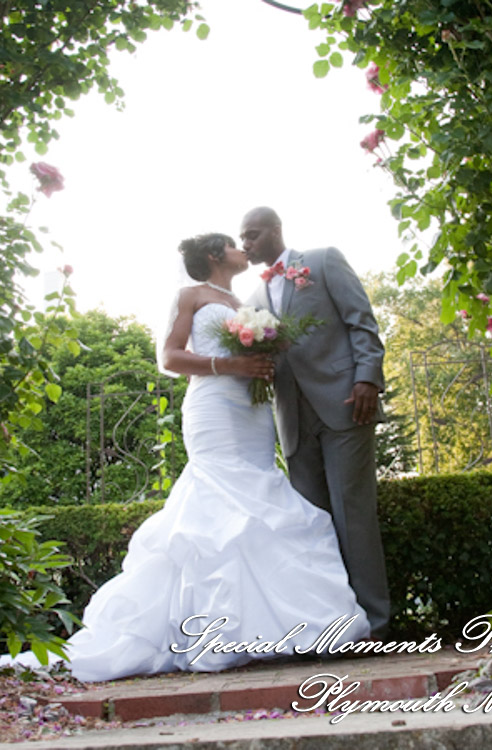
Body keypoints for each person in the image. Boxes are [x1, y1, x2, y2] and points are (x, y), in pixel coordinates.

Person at [63, 233, 369, 682]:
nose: (243, 249)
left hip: (252, 410)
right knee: (221, 501)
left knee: (260, 493)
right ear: (213, 255)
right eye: (233, 244)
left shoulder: (245, 301)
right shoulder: (190, 295)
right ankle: (215, 629)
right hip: (214, 406)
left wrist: (266, 356)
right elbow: (169, 357)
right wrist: (230, 366)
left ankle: (278, 630)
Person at [240, 206, 391, 637]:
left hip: (346, 404)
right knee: (313, 528)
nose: (246, 243)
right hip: (292, 418)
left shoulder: (323, 261)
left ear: (276, 230)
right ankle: (332, 626)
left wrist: (367, 379)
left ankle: (374, 625)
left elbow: (361, 321)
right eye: (243, 237)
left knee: (353, 517)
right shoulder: (252, 299)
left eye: (253, 234)